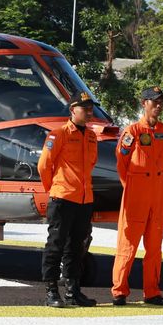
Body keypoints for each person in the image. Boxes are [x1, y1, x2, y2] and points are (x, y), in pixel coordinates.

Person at [111, 86, 163, 306]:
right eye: (154, 101)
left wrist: (155, 178)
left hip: (157, 190)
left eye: (161, 102)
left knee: (155, 245)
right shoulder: (133, 131)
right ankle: (119, 290)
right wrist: (132, 184)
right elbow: (121, 162)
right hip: (136, 191)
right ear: (144, 103)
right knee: (128, 243)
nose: (158, 105)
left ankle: (152, 291)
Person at [37, 92, 99, 307]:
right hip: (63, 198)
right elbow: (44, 165)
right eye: (85, 108)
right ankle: (51, 291)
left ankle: (73, 291)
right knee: (56, 245)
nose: (89, 112)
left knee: (76, 247)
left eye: (91, 108)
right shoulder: (58, 134)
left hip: (84, 200)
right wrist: (54, 189)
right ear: (73, 110)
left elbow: (90, 166)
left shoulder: (91, 136)